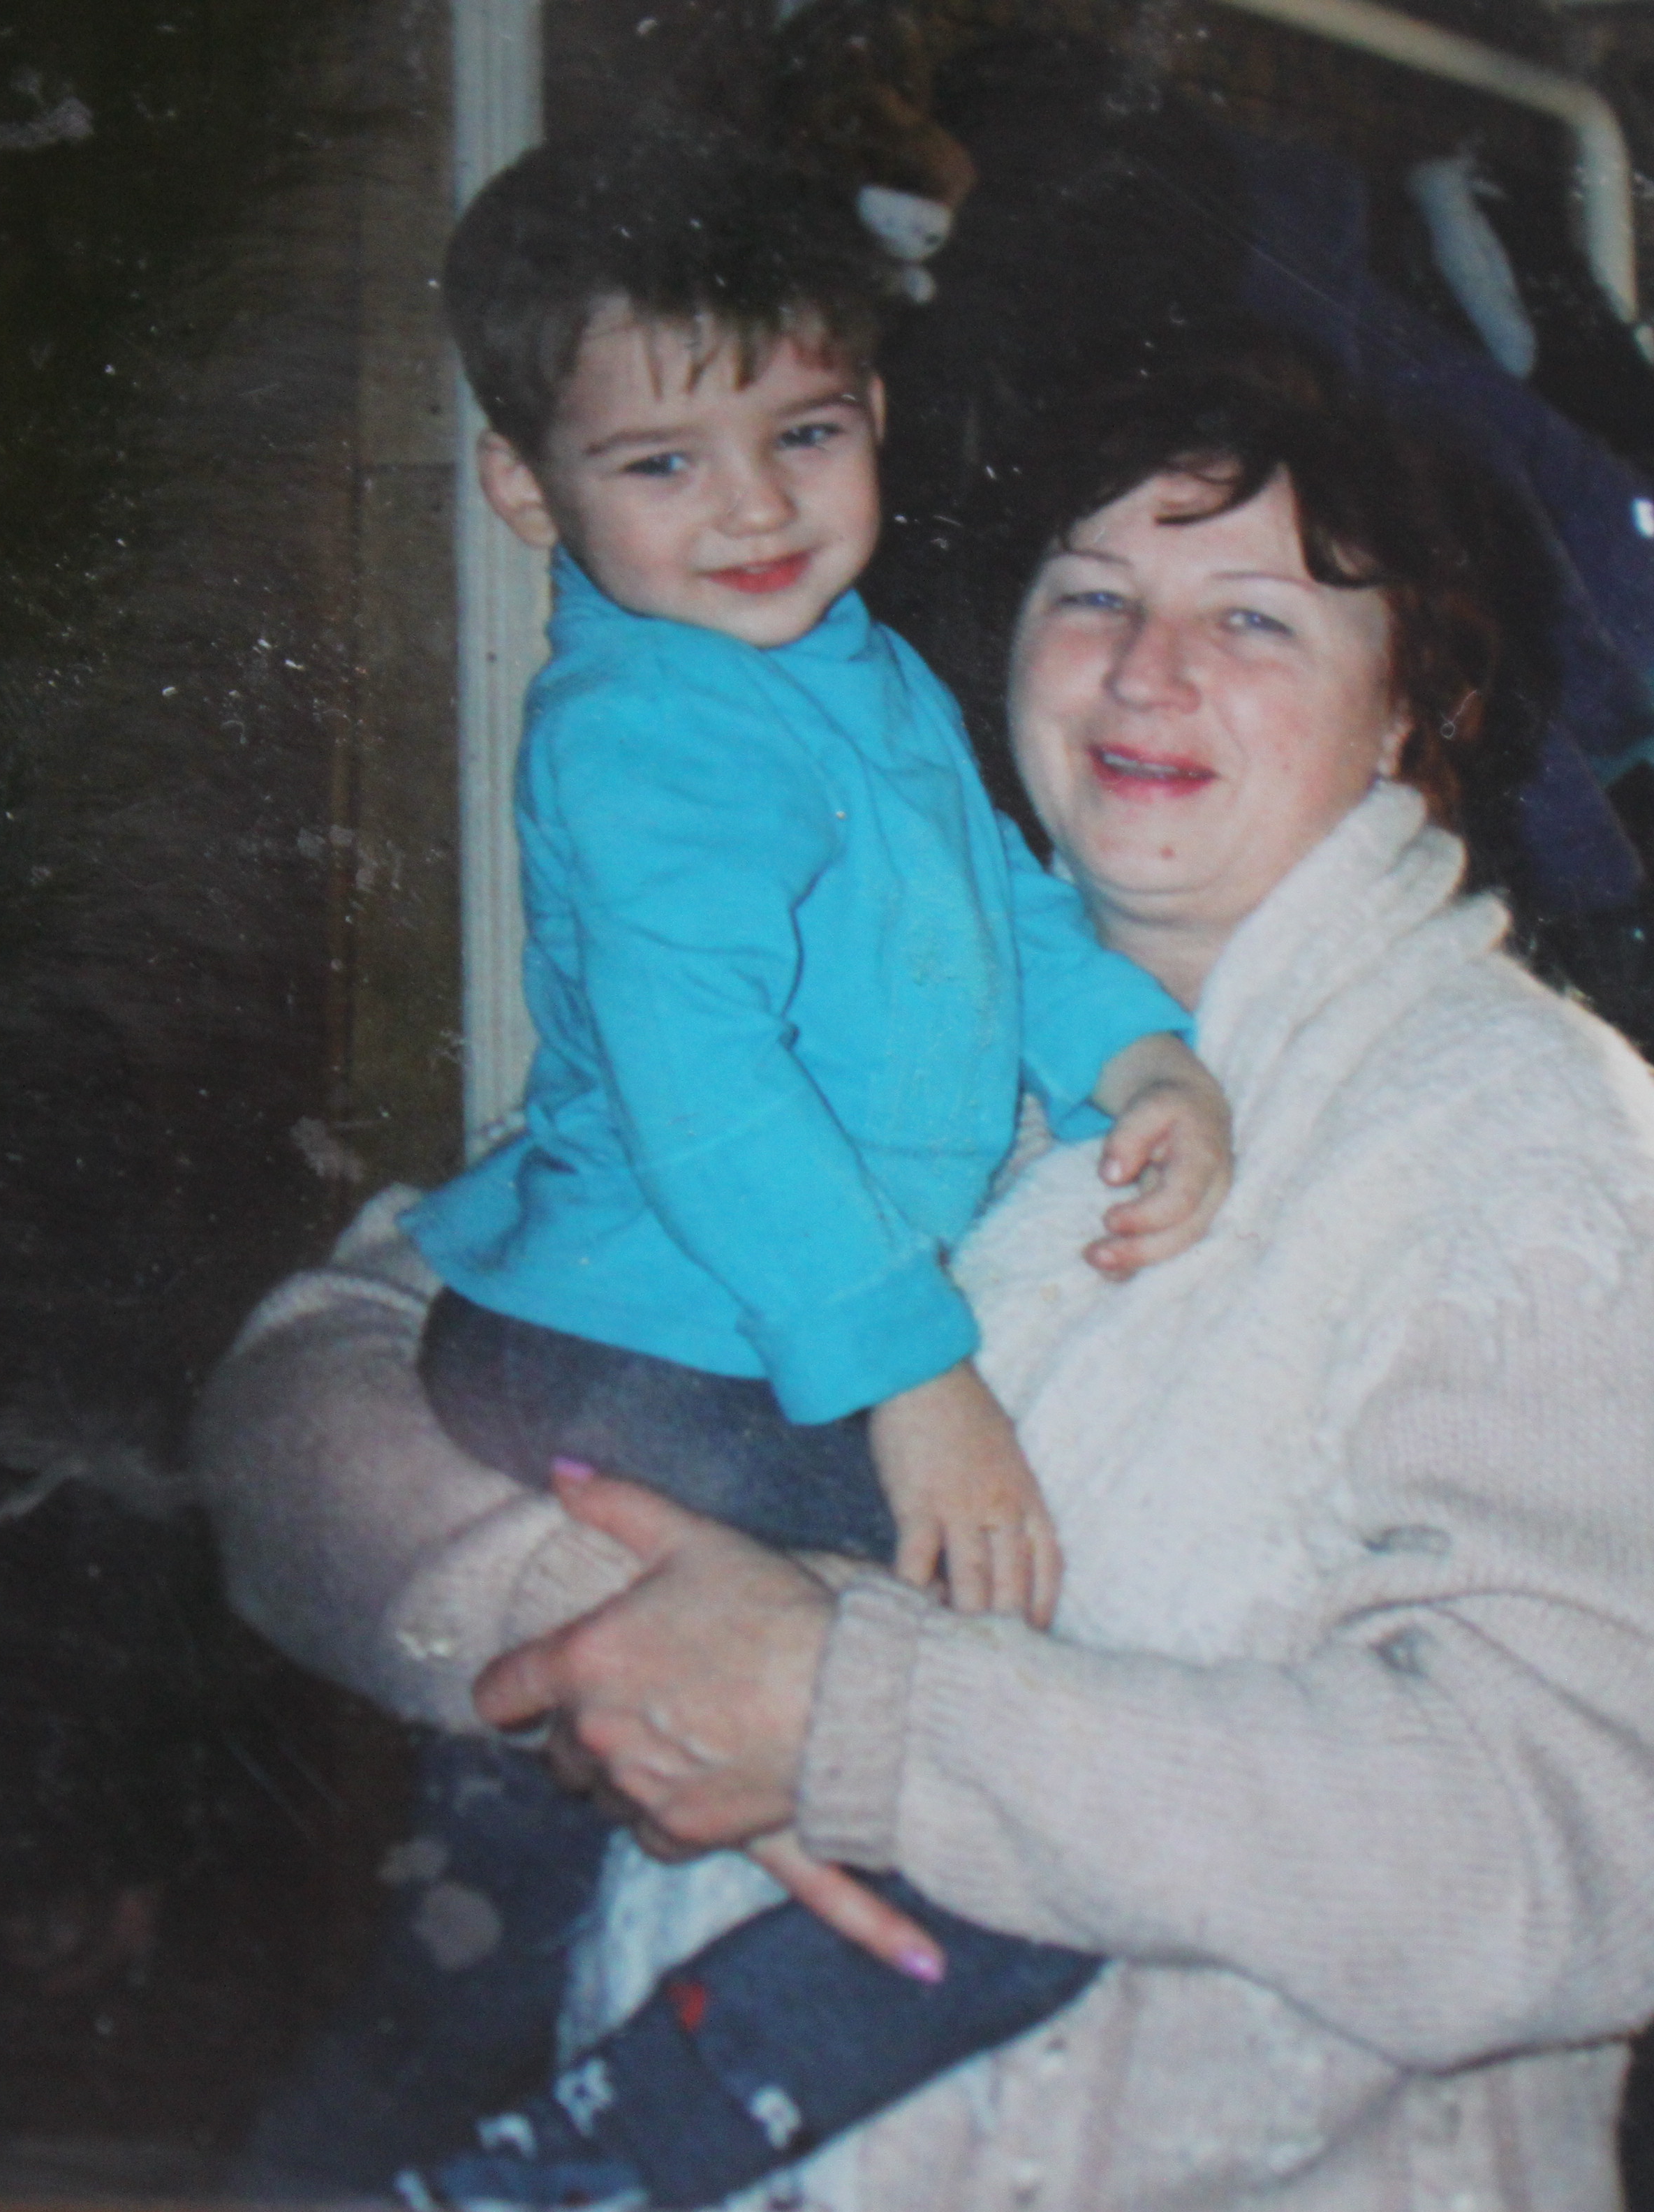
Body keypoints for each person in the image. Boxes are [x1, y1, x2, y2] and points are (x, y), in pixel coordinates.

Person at [196, 339, 1654, 2211]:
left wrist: (854, 1717)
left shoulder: (1526, 1153)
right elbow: (307, 1379)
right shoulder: (872, 988)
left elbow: (1568, 1862)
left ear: (1408, 711)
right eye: (1094, 595)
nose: (1148, 671)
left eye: (1255, 619)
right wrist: (614, 1638)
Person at [381, 121, 1235, 2207]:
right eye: (664, 461)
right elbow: (710, 1093)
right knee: (1023, 1795)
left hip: (700, 1339)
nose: (757, 507)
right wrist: (911, 1372)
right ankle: (595, 2161)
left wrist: (1140, 1052)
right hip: (646, 1344)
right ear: (528, 489)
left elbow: (1010, 905)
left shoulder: (850, 666)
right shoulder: (647, 729)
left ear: (876, 418)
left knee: (533, 1868)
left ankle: (443, 2115)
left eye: (806, 433)